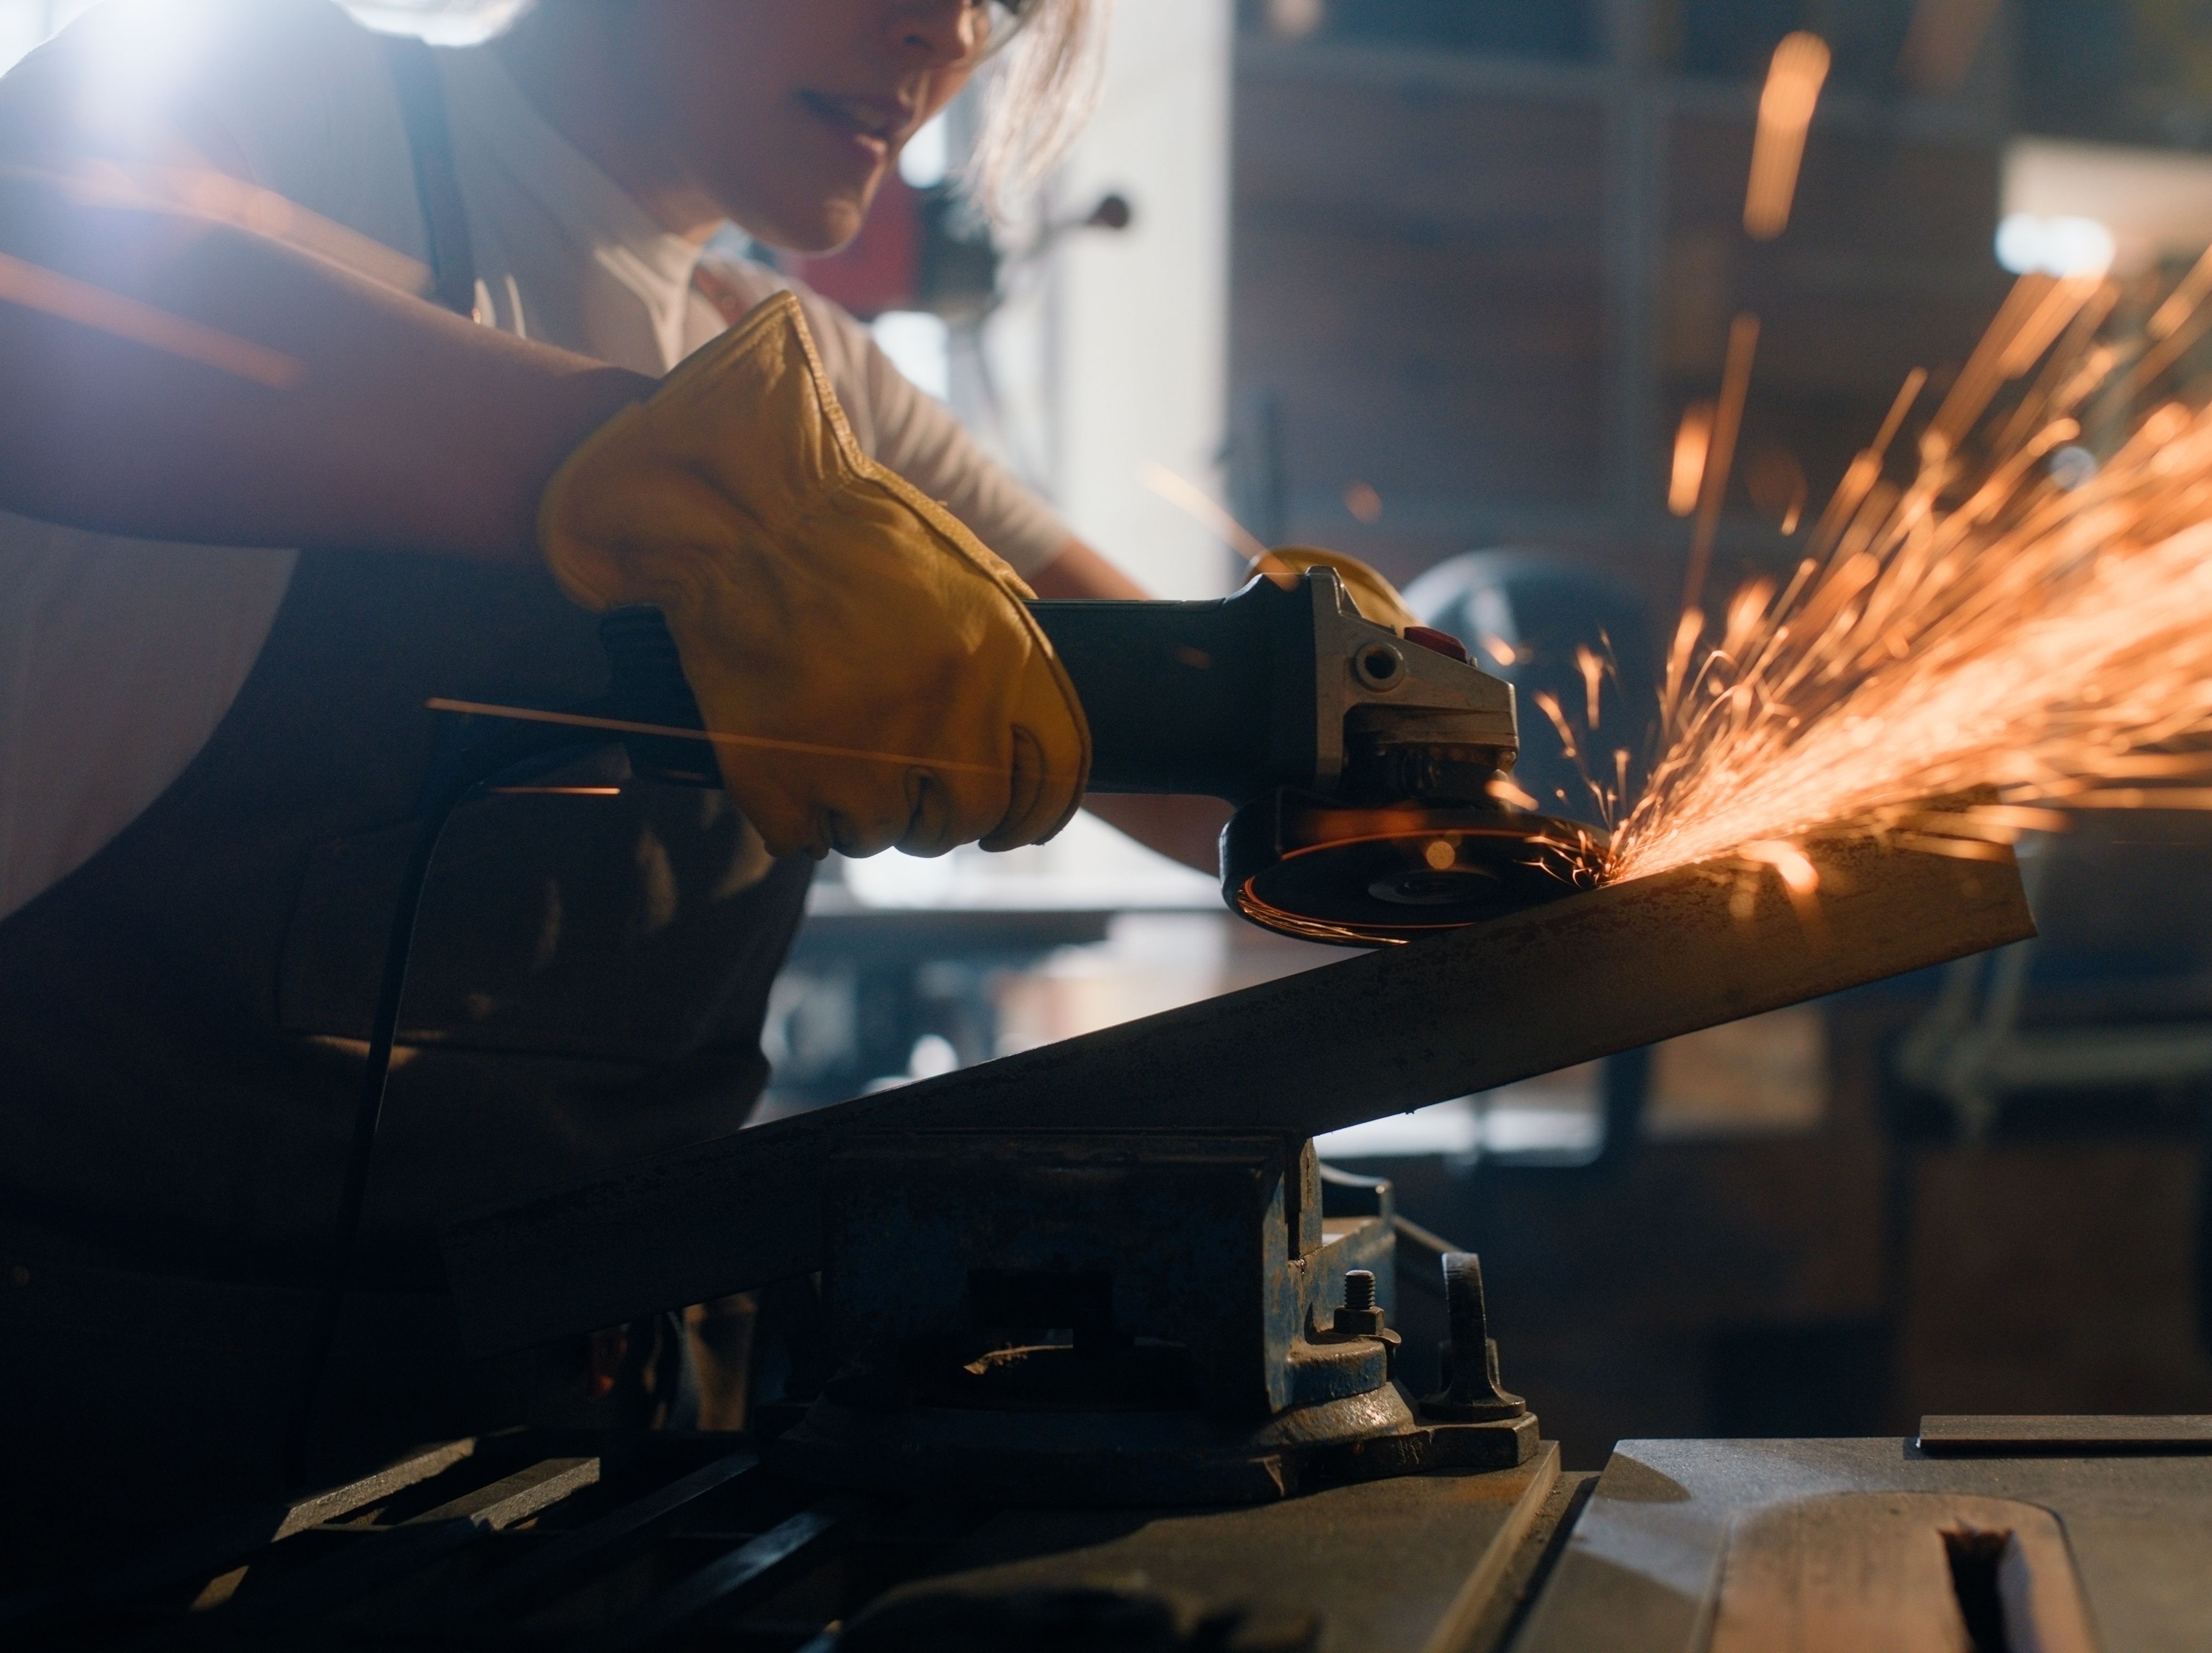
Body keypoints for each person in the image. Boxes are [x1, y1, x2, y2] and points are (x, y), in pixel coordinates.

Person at [0, 0, 1414, 1568]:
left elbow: (1167, 733)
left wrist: (1385, 755)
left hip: (565, 1483)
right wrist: (637, 476)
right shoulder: (300, 106)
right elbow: (39, 294)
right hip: (80, 1451)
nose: (945, 32)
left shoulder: (815, 391)